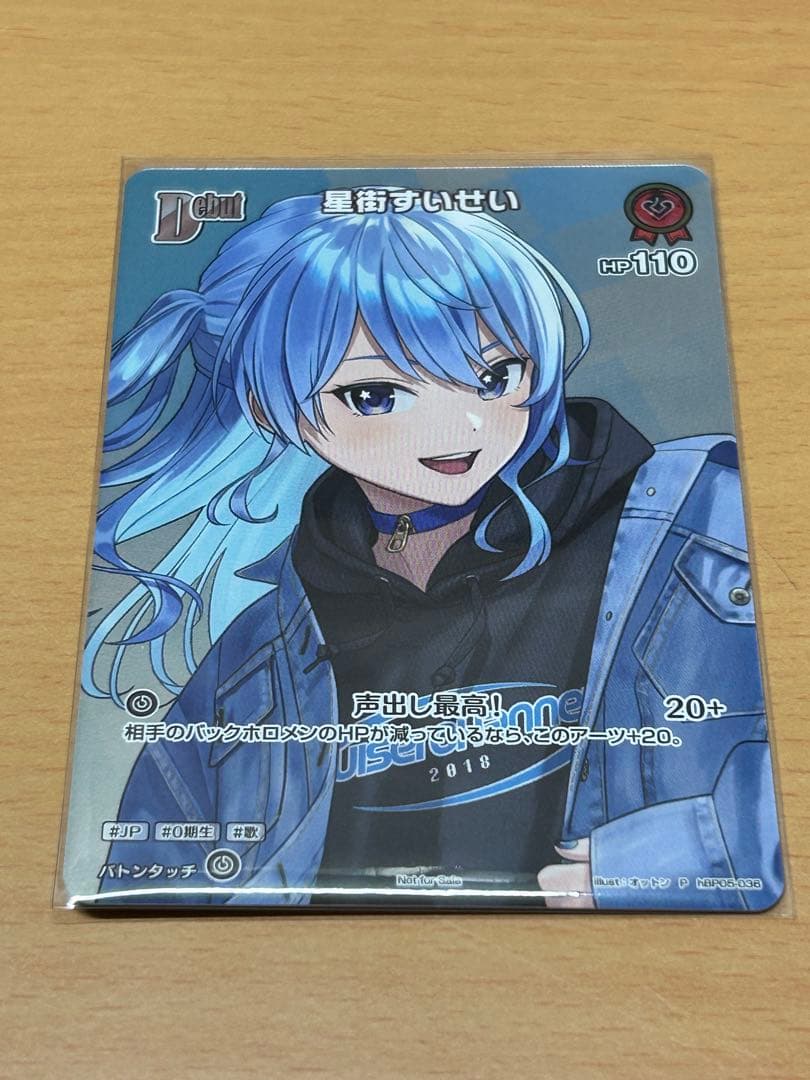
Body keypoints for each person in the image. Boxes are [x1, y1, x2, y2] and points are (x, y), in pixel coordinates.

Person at [90, 190, 782, 909]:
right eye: (376, 395)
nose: (463, 428)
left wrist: (680, 859)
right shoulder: (255, 656)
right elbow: (144, 885)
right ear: (273, 407)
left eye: (494, 378)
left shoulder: (708, 521)